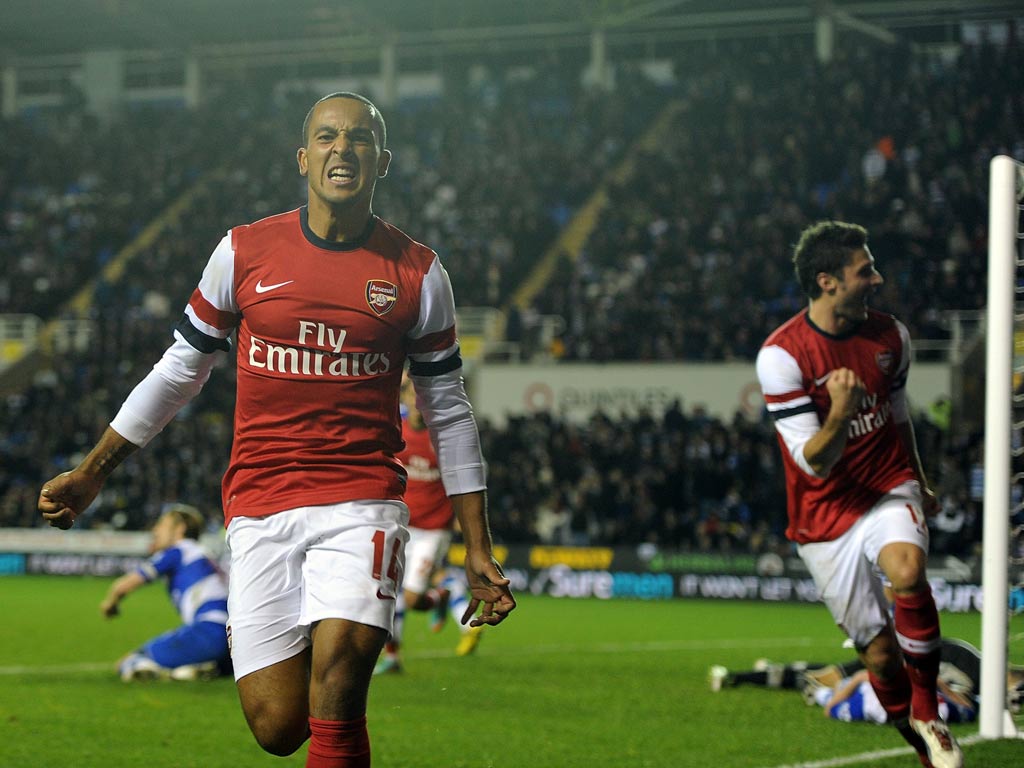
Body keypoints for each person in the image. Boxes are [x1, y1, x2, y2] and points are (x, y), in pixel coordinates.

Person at [38, 91, 516, 768]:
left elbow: (447, 409)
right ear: (303, 156)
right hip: (260, 507)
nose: (341, 150)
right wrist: (93, 472)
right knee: (277, 726)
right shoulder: (243, 252)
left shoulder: (418, 271)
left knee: (341, 681)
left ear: (382, 161)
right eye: (326, 137)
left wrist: (477, 545)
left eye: (358, 139)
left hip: (362, 503)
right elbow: (181, 370)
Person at [755, 221, 961, 768]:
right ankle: (922, 746)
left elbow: (897, 416)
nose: (877, 278)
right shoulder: (782, 356)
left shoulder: (890, 336)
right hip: (824, 513)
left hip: (887, 484)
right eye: (863, 270)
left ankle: (931, 716)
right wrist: (841, 412)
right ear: (827, 282)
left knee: (908, 569)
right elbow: (812, 463)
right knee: (879, 656)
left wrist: (921, 480)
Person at [374, 373, 484, 675]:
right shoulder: (396, 429)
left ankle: (441, 596)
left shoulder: (442, 437)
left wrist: (462, 517)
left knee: (409, 596)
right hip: (400, 523)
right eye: (413, 397)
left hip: (433, 530)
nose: (418, 404)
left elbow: (464, 477)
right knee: (388, 591)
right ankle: (393, 657)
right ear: (408, 398)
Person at [103, 503, 231, 681]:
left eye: (162, 524)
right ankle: (202, 668)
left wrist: (111, 603)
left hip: (208, 632)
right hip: (233, 640)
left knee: (127, 661)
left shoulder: (178, 551)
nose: (155, 529)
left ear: (179, 529)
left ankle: (143, 667)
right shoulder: (204, 555)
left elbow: (123, 585)